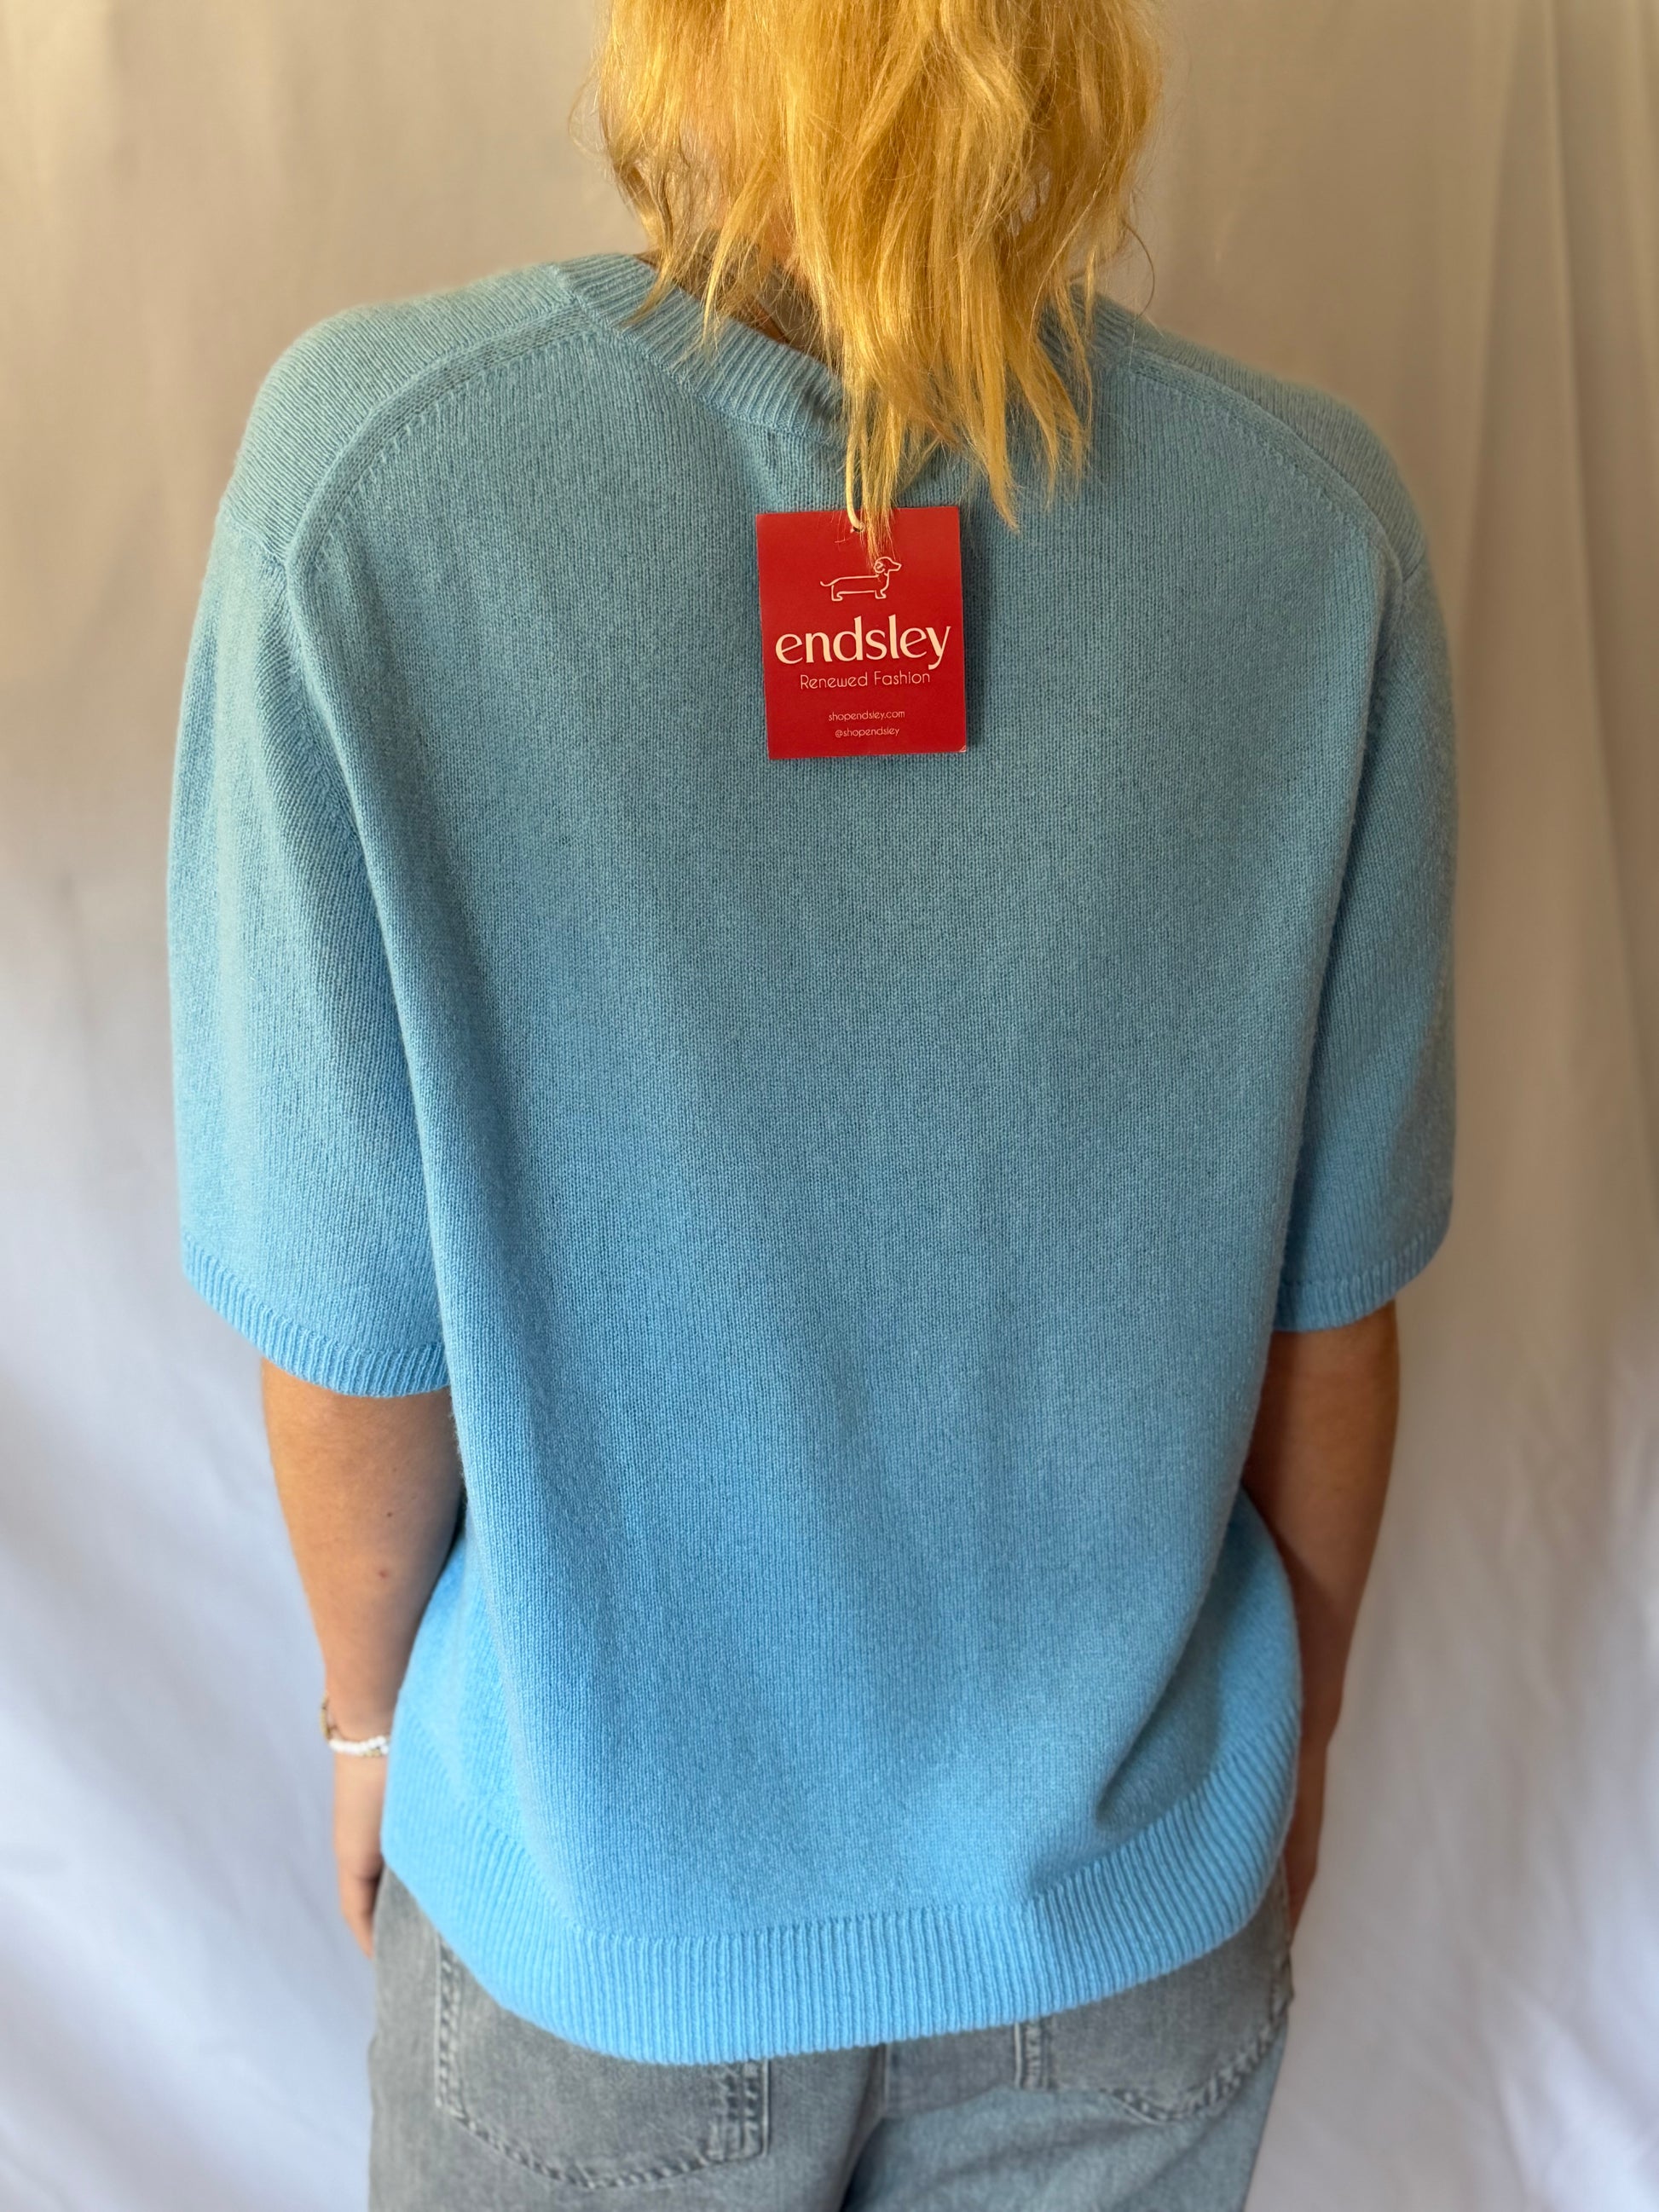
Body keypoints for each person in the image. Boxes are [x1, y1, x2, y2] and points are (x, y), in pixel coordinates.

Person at [165, 0, 1456, 2203]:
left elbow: (350, 1345)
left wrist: (372, 1729)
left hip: (599, 1951)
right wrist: (1298, 1745)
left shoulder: (373, 487)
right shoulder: (1315, 534)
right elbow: (1326, 1331)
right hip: (1120, 1938)